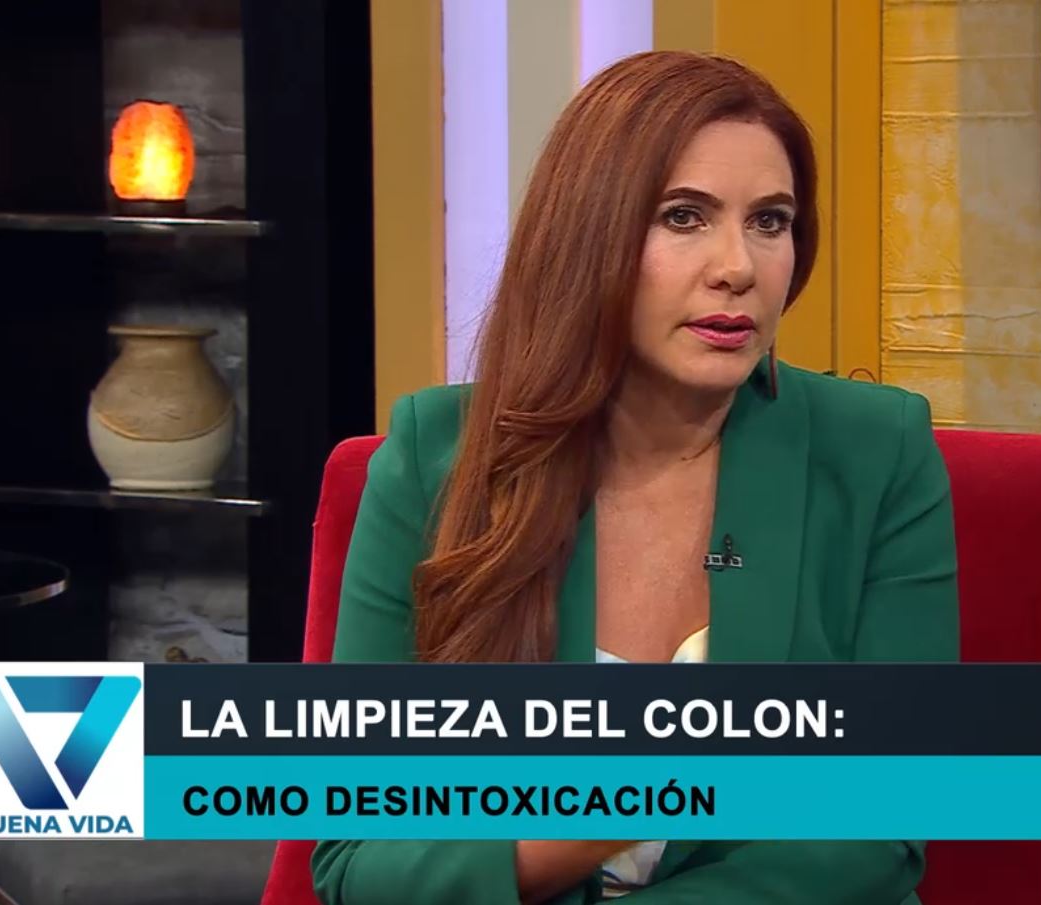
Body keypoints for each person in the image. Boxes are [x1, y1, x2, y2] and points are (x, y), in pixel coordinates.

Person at [311, 50, 960, 905]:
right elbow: (358, 856)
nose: (737, 266)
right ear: (588, 234)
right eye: (683, 216)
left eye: (769, 221)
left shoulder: (877, 449)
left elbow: (880, 823)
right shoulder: (435, 458)